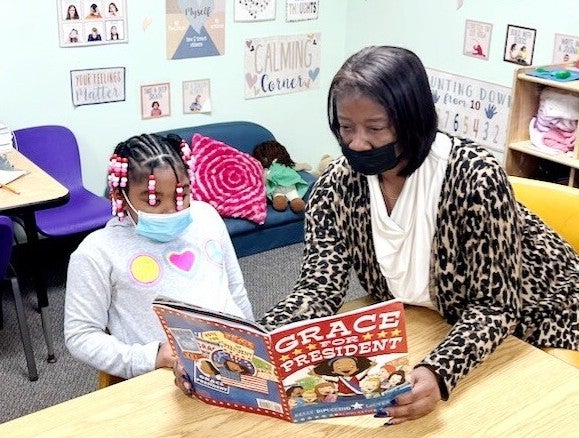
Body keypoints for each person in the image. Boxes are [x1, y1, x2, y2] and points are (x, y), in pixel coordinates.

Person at [172, 46, 579, 424]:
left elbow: (494, 306)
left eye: (376, 128)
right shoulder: (336, 185)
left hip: (538, 314)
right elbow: (317, 291)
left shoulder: (473, 177)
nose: (357, 143)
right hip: (430, 315)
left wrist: (439, 373)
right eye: (345, 127)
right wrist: (247, 345)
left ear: (414, 121)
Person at [64, 133, 254, 380]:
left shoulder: (206, 217)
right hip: (160, 375)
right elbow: (80, 335)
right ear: (120, 197)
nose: (171, 210)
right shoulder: (96, 253)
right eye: (153, 200)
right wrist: (151, 357)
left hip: (231, 361)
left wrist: (253, 339)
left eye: (182, 194)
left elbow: (234, 288)